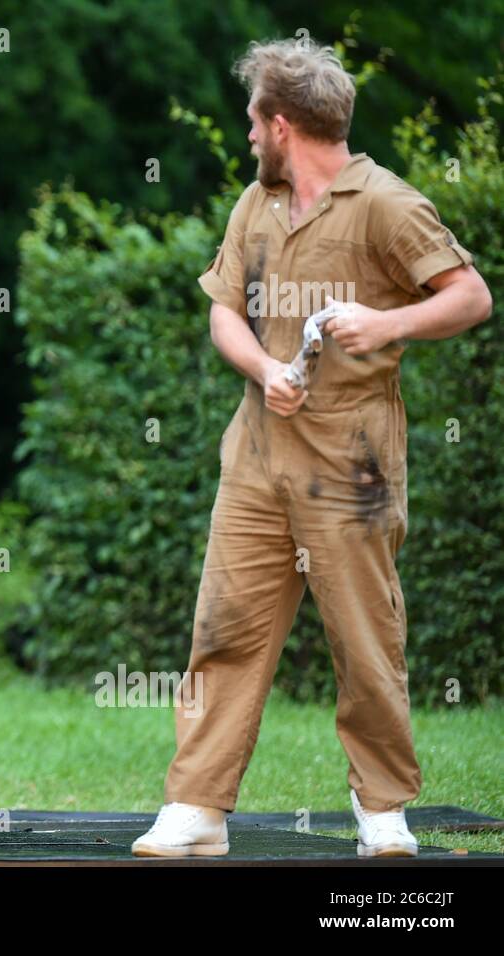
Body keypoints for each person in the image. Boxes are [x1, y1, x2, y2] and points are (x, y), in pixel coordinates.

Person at [131, 38, 491, 857]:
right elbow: (225, 310)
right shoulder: (255, 206)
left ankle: (383, 811)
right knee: (223, 630)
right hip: (255, 459)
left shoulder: (387, 205)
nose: (249, 138)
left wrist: (387, 322)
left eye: (254, 123)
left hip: (351, 464)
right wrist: (263, 366)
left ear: (282, 123)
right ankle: (196, 809)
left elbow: (470, 295)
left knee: (365, 636)